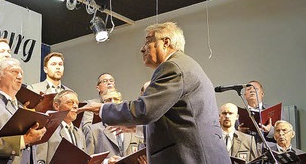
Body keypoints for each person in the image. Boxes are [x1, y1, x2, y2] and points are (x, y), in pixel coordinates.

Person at [79, 22, 230, 163]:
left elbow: (145, 110)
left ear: (165, 42)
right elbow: (180, 120)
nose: (142, 48)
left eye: (148, 41)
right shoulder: (185, 65)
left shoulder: (172, 67)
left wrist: (102, 108)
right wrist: (135, 127)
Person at [0, 58, 46, 164]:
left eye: (21, 73)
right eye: (14, 72)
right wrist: (25, 140)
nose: (20, 77)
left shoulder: (21, 106)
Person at [83, 90, 145, 162]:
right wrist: (106, 162)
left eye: (116, 99)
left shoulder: (134, 129)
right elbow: (88, 161)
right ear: (102, 105)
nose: (112, 102)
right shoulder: (93, 131)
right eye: (108, 100)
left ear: (122, 103)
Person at [35, 90, 86, 164]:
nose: (75, 106)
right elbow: (39, 161)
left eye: (77, 103)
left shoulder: (80, 133)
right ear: (56, 106)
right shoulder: (47, 130)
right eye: (70, 102)